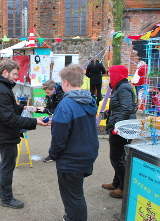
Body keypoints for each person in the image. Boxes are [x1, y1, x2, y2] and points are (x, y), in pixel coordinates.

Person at [0, 58, 48, 209]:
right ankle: (6, 198)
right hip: (4, 133)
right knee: (8, 164)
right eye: (14, 74)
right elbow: (9, 118)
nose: (16, 77)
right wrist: (35, 122)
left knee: (7, 160)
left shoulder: (1, 87)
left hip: (4, 132)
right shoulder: (0, 90)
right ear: (5, 72)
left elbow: (10, 108)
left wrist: (27, 109)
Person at [48, 64, 99, 221]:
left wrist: (53, 154)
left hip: (72, 159)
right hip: (87, 153)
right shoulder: (88, 99)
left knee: (73, 196)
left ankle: (74, 217)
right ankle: (71, 215)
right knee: (75, 192)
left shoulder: (66, 104)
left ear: (65, 83)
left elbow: (59, 137)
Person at [102, 65, 136, 198]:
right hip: (119, 127)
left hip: (121, 129)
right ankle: (117, 183)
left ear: (118, 75)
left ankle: (123, 187)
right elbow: (122, 107)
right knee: (118, 157)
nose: (109, 77)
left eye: (111, 74)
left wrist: (116, 124)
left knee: (117, 158)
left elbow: (127, 109)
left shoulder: (123, 88)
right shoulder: (120, 87)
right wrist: (110, 112)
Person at [35, 79, 65, 163]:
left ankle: (54, 155)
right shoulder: (50, 95)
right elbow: (49, 107)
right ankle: (55, 154)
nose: (47, 94)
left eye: (48, 92)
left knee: (58, 137)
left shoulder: (61, 95)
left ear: (54, 89)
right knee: (56, 136)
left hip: (62, 118)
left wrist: (45, 110)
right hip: (56, 118)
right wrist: (38, 110)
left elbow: (57, 110)